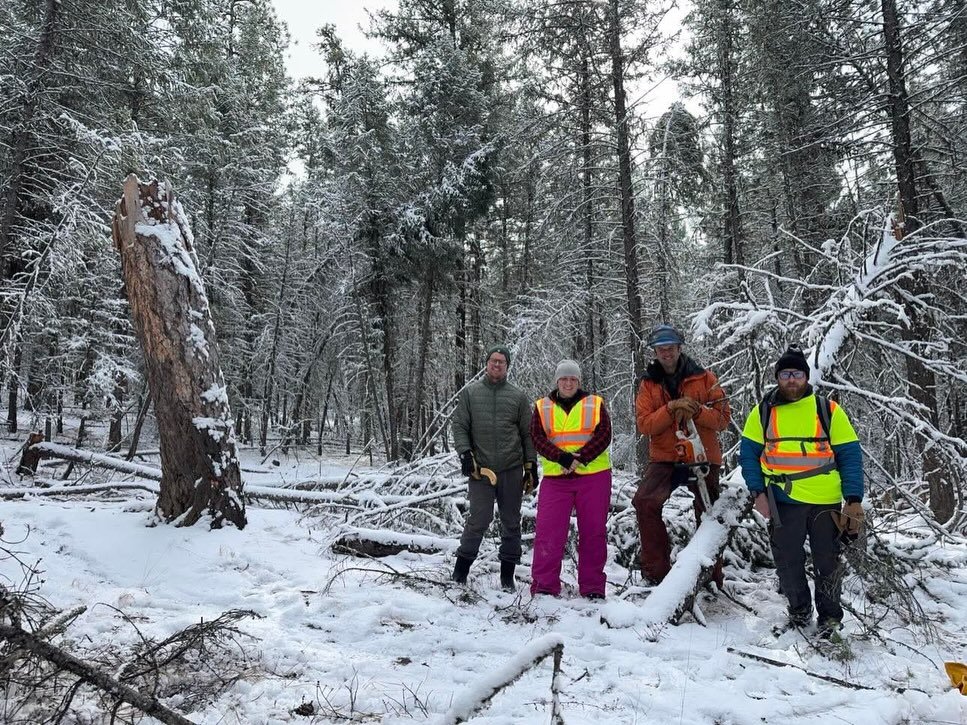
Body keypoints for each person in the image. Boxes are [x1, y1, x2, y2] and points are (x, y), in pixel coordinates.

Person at [739, 345, 864, 637]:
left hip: (825, 500)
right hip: (783, 500)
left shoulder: (827, 409)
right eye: (785, 374)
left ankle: (830, 620)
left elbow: (849, 454)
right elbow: (748, 454)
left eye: (797, 374)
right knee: (787, 560)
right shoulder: (763, 412)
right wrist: (758, 493)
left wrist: (854, 500)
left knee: (828, 562)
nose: (791, 380)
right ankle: (799, 613)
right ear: (778, 377)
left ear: (806, 377)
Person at [632, 324, 731, 587]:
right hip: (665, 455)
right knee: (645, 502)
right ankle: (657, 574)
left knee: (709, 512)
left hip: (702, 455)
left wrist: (697, 411)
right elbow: (644, 424)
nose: (666, 353)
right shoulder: (648, 384)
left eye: (670, 347)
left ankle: (711, 575)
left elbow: (722, 419)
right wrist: (670, 408)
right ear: (655, 351)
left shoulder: (705, 378)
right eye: (661, 349)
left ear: (679, 348)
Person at [451, 345, 538, 591]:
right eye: (493, 361)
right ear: (487, 364)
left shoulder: (518, 397)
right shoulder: (471, 394)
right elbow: (460, 426)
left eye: (501, 362)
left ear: (507, 366)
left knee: (511, 521)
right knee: (479, 518)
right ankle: (460, 573)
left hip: (511, 468)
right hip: (481, 469)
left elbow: (527, 435)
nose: (496, 365)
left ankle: (507, 578)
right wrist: (465, 454)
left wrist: (530, 466)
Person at [529, 360, 613, 599]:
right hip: (557, 478)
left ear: (578, 381)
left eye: (573, 379)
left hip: (593, 476)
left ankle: (593, 587)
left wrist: (581, 457)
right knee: (548, 532)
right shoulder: (542, 406)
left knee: (594, 533)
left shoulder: (595, 403)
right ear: (557, 381)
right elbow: (537, 438)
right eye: (564, 379)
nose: (568, 383)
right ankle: (544, 586)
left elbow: (604, 435)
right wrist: (562, 458)